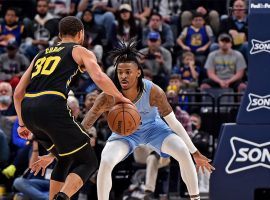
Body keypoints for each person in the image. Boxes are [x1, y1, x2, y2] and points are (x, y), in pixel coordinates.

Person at [13, 16, 131, 200]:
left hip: (28, 109)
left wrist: (22, 124)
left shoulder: (40, 54)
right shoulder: (79, 50)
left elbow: (18, 92)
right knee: (89, 161)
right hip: (51, 105)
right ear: (81, 34)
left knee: (65, 157)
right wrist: (121, 98)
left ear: (60, 35)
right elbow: (99, 78)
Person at [81, 39, 215, 200]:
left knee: (183, 152)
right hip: (125, 135)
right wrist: (56, 152)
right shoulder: (107, 95)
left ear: (138, 72)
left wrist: (196, 152)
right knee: (106, 160)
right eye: (120, 72)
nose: (123, 76)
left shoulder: (153, 91)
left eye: (128, 72)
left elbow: (174, 123)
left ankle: (196, 198)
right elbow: (84, 126)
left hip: (155, 130)